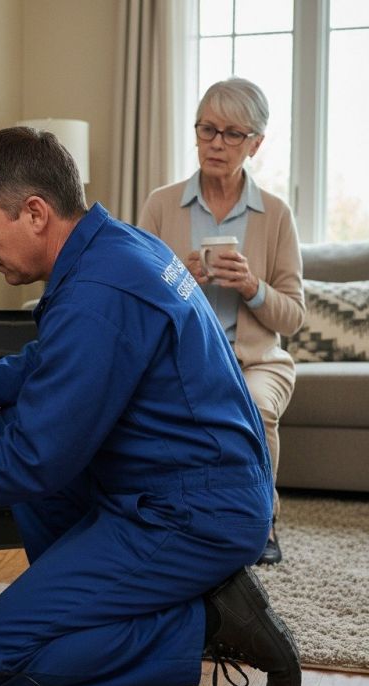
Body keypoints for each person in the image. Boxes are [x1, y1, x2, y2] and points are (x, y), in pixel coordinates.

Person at [0, 127, 301, 686]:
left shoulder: (99, 292)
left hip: (194, 512)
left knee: (1, 650)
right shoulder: (115, 247)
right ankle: (93, 598)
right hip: (189, 483)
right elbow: (56, 357)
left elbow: (35, 462)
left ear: (35, 212)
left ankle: (212, 622)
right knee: (15, 417)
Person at [138, 78, 305, 566]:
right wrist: (176, 279)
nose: (216, 142)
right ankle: (169, 518)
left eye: (233, 133)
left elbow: (293, 317)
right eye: (207, 128)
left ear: (256, 143)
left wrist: (252, 285)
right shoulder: (161, 204)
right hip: (180, 358)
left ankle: (262, 519)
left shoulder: (275, 214)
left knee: (254, 405)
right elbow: (133, 299)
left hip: (256, 361)